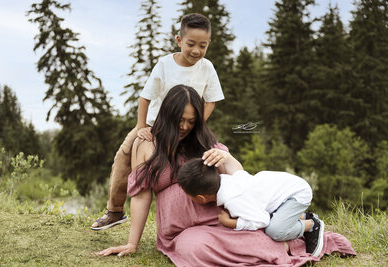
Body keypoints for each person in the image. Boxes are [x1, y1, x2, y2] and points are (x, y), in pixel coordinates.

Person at [98, 85, 356, 266]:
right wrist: (132, 243)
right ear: (167, 114)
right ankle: (290, 241)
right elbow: (141, 196)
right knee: (194, 249)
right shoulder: (146, 145)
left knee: (261, 233)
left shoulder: (201, 140)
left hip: (221, 220)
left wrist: (226, 158)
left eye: (192, 121)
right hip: (181, 232)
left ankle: (299, 238)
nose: (186, 126)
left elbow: (239, 175)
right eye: (181, 120)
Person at [91, 13, 224, 230]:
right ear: (179, 40)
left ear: (209, 44)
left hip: (187, 126)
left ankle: (215, 213)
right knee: (123, 156)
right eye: (191, 44)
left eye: (203, 46)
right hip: (156, 125)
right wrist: (142, 127)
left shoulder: (207, 67)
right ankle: (115, 211)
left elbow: (211, 101)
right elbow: (145, 98)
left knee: (213, 157)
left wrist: (196, 125)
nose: (196, 51)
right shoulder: (164, 64)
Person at [177, 150, 325, 257]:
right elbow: (235, 168)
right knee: (273, 217)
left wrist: (231, 223)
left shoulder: (233, 200)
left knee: (275, 231)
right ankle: (300, 216)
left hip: (296, 194)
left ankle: (311, 224)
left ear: (201, 198)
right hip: (285, 190)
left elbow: (262, 221)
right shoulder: (228, 180)